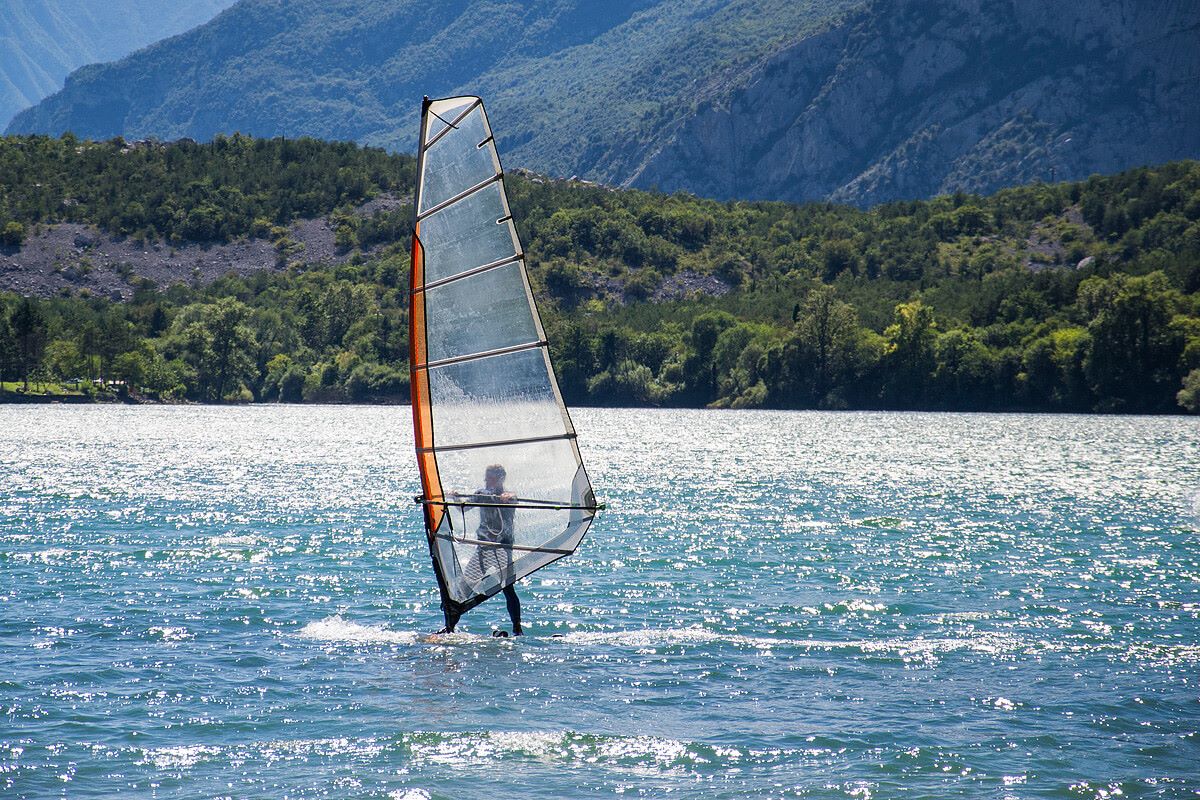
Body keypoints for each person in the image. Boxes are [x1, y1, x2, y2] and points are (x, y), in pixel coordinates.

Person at [439, 464, 523, 636]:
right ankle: (450, 627)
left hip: (502, 549)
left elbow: (513, 498)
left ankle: (517, 628)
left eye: (490, 478)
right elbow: (465, 506)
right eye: (486, 477)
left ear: (501, 479)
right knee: (464, 586)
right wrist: (456, 498)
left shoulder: (508, 496)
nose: (486, 481)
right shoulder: (481, 494)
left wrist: (509, 497)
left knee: (508, 588)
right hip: (483, 549)